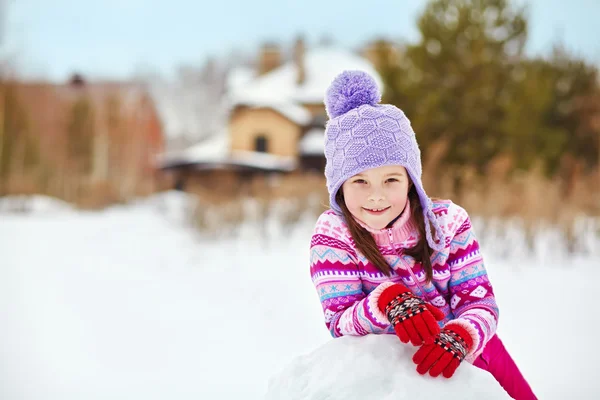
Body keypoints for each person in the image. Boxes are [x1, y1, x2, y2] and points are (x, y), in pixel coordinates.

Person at [309, 70, 537, 400]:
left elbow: (480, 304)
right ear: (339, 186)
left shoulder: (448, 223)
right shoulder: (334, 236)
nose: (376, 196)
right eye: (360, 181)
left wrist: (463, 335)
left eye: (391, 180)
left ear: (411, 182)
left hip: (477, 358)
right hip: (397, 373)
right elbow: (339, 322)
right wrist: (384, 301)